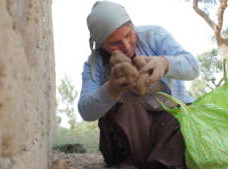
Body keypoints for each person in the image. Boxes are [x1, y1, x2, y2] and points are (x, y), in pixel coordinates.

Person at [78, 1, 200, 169]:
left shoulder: (154, 36)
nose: (127, 46)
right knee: (123, 95)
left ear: (133, 25)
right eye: (115, 43)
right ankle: (137, 160)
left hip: (167, 126)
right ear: (101, 44)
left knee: (182, 118)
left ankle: (159, 162)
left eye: (128, 35)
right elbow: (86, 110)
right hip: (129, 138)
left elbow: (193, 67)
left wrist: (165, 63)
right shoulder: (95, 63)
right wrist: (112, 89)